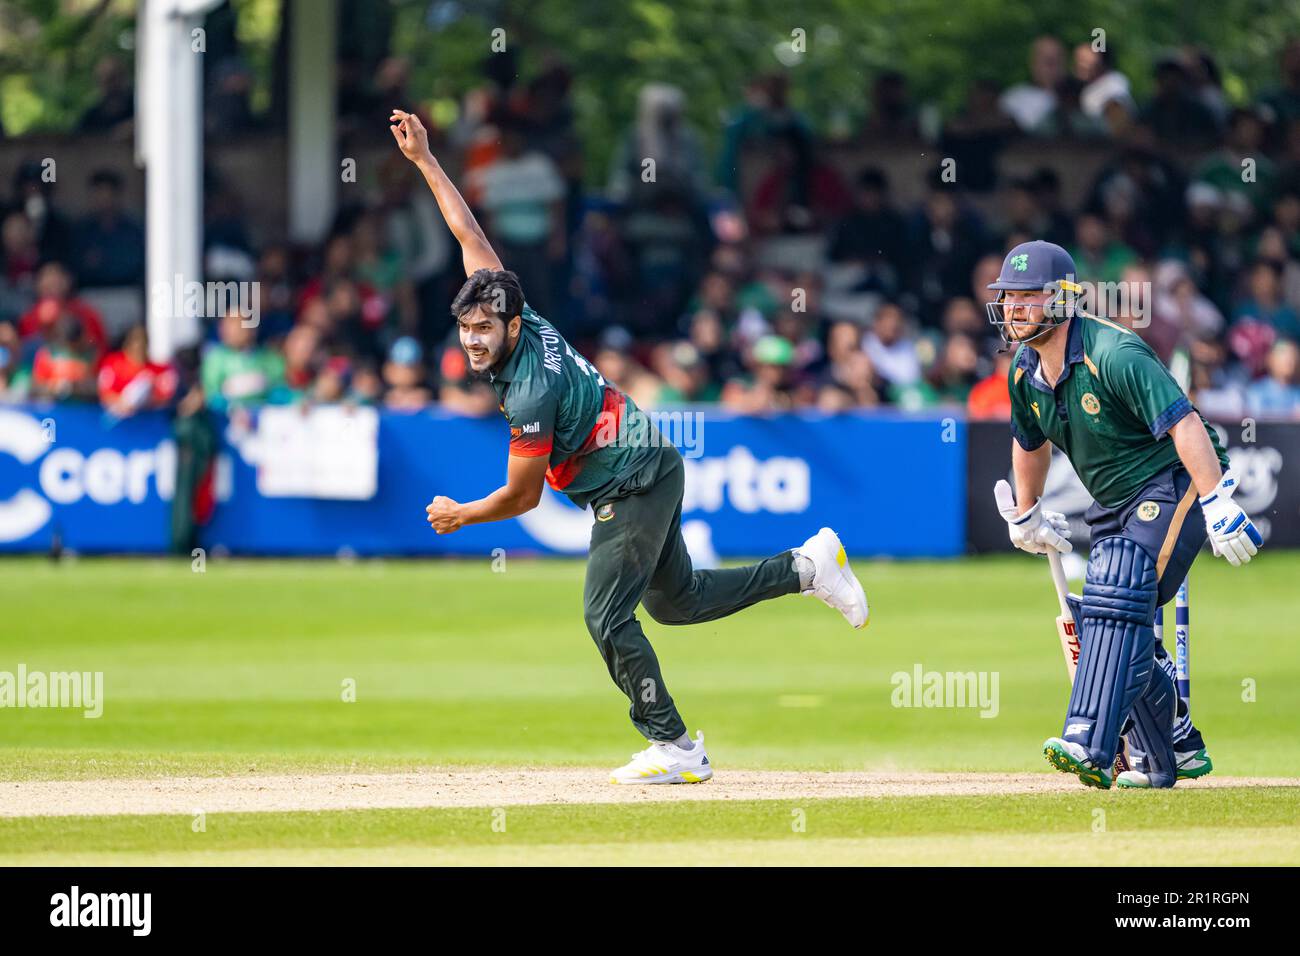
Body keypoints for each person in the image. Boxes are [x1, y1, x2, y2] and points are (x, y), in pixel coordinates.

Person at [389, 108, 869, 785]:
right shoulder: (512, 304)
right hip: (647, 459)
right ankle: (807, 567)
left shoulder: (528, 390)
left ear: (510, 323)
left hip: (631, 478)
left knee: (605, 615)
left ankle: (675, 748)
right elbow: (467, 231)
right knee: (677, 602)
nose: (473, 338)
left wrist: (461, 514)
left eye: (483, 327)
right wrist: (425, 161)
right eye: (465, 326)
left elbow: (524, 495)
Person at [988, 240, 1260, 790]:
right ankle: (1172, 747)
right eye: (1007, 297)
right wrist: (1027, 511)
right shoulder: (1023, 369)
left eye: (1027, 297)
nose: (1014, 309)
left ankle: (1089, 741)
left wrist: (1218, 500)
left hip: (1175, 479)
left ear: (1062, 300)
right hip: (1113, 500)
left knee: (1118, 589)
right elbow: (1029, 440)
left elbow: (1184, 424)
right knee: (1104, 619)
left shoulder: (1115, 353)